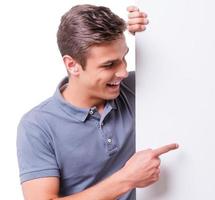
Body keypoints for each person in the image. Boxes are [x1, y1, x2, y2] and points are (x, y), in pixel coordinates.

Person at [16, 4, 178, 200]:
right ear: (72, 65)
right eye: (109, 64)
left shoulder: (138, 88)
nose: (123, 72)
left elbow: (193, 70)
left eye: (124, 57)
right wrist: (126, 179)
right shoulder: (37, 126)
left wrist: (154, 30)